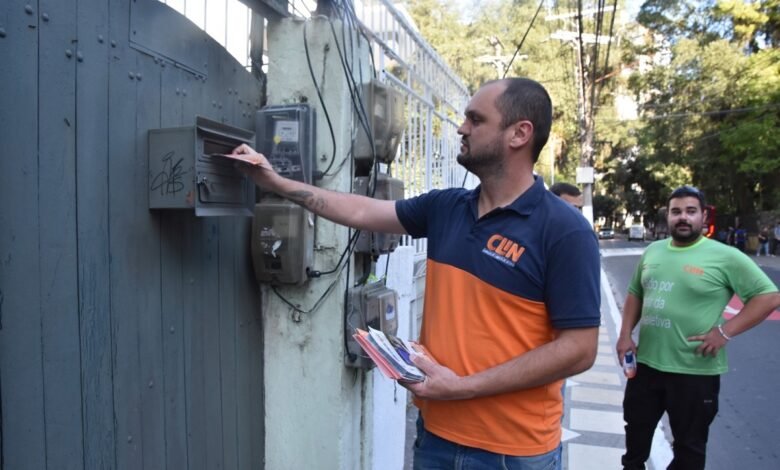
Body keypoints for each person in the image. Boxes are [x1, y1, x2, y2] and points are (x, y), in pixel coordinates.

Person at [232, 78, 601, 469]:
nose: (462, 128)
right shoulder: (446, 207)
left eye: (476, 120)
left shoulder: (564, 230)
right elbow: (359, 211)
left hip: (514, 453)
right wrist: (275, 182)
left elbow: (579, 348)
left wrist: (462, 388)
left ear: (519, 134)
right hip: (436, 438)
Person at [615, 185, 780, 470]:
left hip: (694, 373)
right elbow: (635, 294)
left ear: (703, 217)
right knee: (634, 446)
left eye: (691, 211)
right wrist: (625, 334)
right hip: (647, 368)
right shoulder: (653, 251)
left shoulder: (725, 256)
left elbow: (769, 296)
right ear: (668, 216)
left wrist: (725, 332)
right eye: (676, 212)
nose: (683, 218)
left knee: (689, 452)